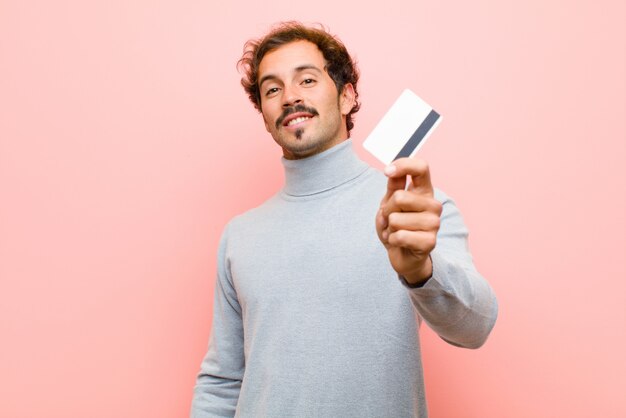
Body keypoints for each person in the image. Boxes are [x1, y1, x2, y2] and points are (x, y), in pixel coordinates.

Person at [191, 21, 497, 417]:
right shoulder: (239, 236)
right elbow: (222, 382)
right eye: (272, 89)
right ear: (265, 115)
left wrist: (422, 271)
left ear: (347, 96)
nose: (289, 97)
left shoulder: (414, 212)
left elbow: (476, 328)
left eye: (307, 80)